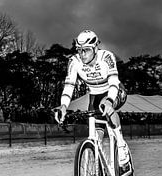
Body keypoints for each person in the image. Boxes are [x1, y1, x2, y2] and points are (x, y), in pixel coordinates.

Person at [55, 29, 129, 164]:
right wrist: (64, 105)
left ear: (95, 48)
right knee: (96, 138)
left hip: (115, 90)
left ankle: (121, 143)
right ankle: (98, 168)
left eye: (87, 50)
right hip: (95, 95)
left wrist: (110, 100)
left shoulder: (106, 57)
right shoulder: (74, 61)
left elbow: (113, 81)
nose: (82, 54)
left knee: (106, 107)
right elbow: (69, 85)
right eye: (79, 50)